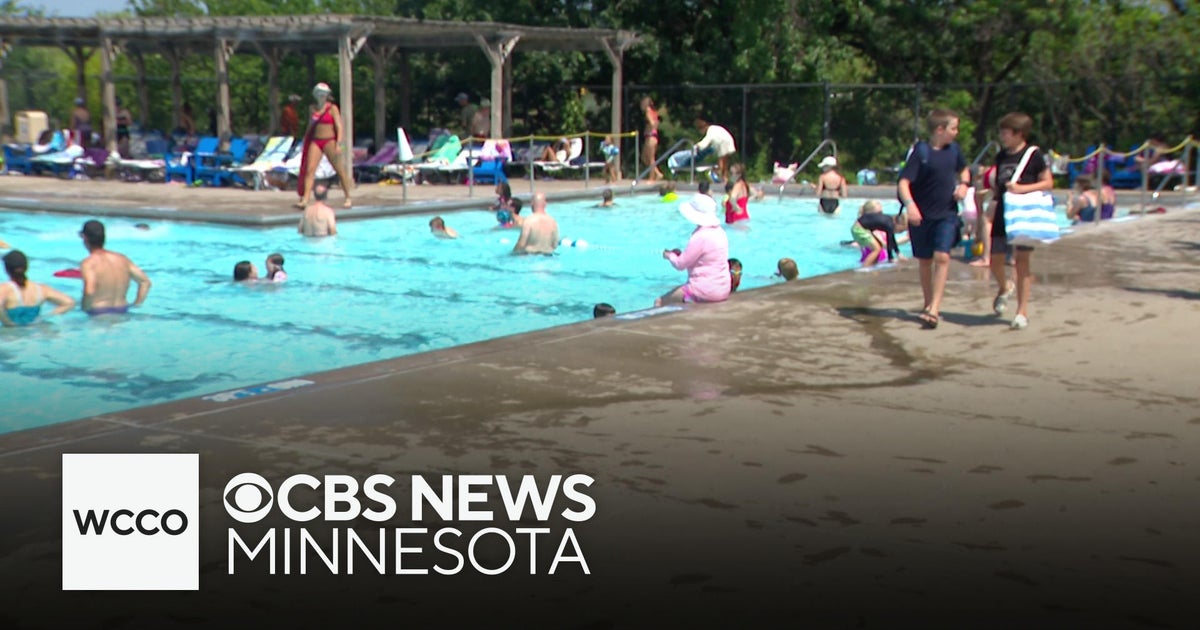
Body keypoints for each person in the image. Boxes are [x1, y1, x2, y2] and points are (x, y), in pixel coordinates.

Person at [897, 108, 969, 330]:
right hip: (922, 215)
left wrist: (964, 185)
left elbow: (964, 169)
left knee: (942, 257)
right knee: (925, 261)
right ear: (940, 129)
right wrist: (911, 207)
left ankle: (935, 308)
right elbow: (903, 183)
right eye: (953, 128)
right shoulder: (921, 152)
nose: (956, 132)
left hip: (946, 213)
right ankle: (928, 303)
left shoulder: (954, 151)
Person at [988, 112, 1053, 330]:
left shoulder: (1034, 155)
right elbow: (998, 184)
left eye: (1005, 132)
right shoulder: (1001, 156)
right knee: (994, 260)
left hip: (1024, 213)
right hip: (1002, 212)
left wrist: (1022, 189)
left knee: (1022, 261)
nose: (1002, 136)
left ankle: (1021, 311)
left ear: (1019, 134)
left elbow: (1047, 183)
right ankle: (1004, 286)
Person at [655, 194, 730, 306]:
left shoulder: (699, 236)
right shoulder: (721, 232)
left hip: (704, 291)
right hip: (723, 290)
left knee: (660, 301)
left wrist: (669, 255)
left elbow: (680, 265)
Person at [297, 83, 354, 210]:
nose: (321, 96)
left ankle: (348, 197)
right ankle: (305, 199)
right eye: (319, 94)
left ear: (327, 95)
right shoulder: (312, 108)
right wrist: (304, 141)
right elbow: (309, 126)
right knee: (310, 169)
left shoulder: (332, 108)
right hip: (316, 141)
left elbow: (339, 127)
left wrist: (340, 144)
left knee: (340, 169)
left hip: (330, 141)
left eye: (323, 94)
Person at [78, 220, 151, 316]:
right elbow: (145, 282)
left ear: (84, 237)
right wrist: (136, 305)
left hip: (98, 313)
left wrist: (84, 310)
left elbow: (90, 291)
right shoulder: (122, 259)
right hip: (122, 310)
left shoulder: (88, 263)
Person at [1, 250, 76, 327]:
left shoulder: (4, 289)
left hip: (11, 336)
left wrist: (8, 323)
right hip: (35, 331)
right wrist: (47, 316)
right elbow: (69, 302)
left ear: (6, 269)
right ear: (26, 267)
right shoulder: (41, 289)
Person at [852, 200, 907, 267]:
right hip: (859, 229)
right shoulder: (889, 225)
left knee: (879, 246)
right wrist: (891, 258)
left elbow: (892, 240)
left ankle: (872, 265)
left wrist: (898, 253)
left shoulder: (888, 221)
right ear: (899, 224)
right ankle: (864, 268)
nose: (899, 232)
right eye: (901, 230)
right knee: (877, 249)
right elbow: (890, 242)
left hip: (862, 228)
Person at [692, 116, 736, 183]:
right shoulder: (714, 128)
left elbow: (706, 142)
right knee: (725, 163)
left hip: (723, 143)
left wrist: (697, 145)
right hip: (727, 141)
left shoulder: (710, 131)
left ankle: (722, 177)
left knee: (722, 162)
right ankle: (725, 178)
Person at [641, 97, 664, 182]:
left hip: (650, 136)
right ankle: (658, 173)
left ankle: (652, 178)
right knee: (644, 157)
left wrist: (651, 124)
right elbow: (657, 122)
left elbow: (653, 123)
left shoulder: (648, 111)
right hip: (651, 136)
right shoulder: (654, 112)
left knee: (651, 159)